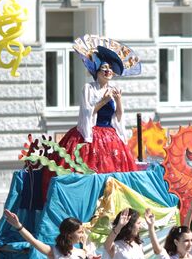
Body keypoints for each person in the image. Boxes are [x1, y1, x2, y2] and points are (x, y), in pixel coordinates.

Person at [55, 45, 138, 174]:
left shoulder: (114, 89)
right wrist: (103, 101)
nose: (108, 70)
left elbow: (119, 117)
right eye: (104, 68)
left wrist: (118, 100)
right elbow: (87, 112)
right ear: (97, 72)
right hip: (92, 133)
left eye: (110, 68)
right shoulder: (89, 88)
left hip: (110, 136)